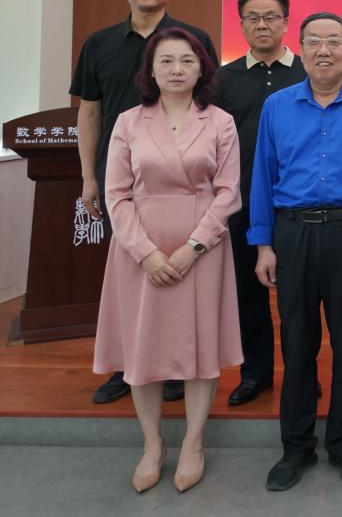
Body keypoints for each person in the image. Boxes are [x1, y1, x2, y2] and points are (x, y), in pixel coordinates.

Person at [250, 12, 342, 491]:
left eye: (334, 41)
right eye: (313, 41)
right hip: (292, 233)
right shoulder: (277, 106)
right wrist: (263, 244)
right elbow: (262, 175)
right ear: (301, 49)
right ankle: (296, 448)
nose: (324, 50)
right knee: (297, 344)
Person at [93, 29, 242, 493]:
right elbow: (116, 195)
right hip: (140, 247)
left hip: (203, 247)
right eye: (166, 61)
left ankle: (194, 442)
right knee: (143, 346)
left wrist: (192, 248)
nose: (177, 69)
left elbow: (228, 192)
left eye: (187, 61)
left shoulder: (219, 121)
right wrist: (148, 253)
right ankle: (152, 444)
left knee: (200, 348)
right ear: (150, 70)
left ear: (202, 70)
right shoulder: (128, 122)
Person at [72, 0, 218, 406]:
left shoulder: (193, 40)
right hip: (125, 185)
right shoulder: (99, 44)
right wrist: (89, 177)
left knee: (180, 280)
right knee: (131, 277)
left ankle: (174, 368)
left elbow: (209, 108)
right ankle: (127, 366)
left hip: (185, 184)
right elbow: (89, 113)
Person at [216, 0, 307, 406]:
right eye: (252, 18)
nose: (262, 25)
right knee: (247, 292)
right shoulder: (223, 79)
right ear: (242, 26)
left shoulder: (308, 72)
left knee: (297, 296)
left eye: (271, 17)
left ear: (286, 23)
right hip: (241, 201)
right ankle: (255, 373)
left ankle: (301, 374)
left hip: (296, 202)